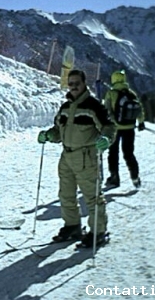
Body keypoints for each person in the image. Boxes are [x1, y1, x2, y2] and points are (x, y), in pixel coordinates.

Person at [38, 69, 116, 247]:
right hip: (66, 155)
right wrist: (48, 135)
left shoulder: (93, 106)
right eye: (70, 83)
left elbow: (108, 126)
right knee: (66, 195)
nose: (73, 87)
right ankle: (72, 226)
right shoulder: (65, 108)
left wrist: (105, 138)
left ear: (84, 84)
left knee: (92, 196)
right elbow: (58, 130)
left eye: (77, 83)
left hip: (86, 156)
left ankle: (98, 232)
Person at [104, 70, 145, 188]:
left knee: (113, 153)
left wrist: (109, 123)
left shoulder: (111, 93)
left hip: (115, 129)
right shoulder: (131, 93)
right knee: (128, 153)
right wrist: (141, 122)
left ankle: (114, 178)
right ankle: (135, 177)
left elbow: (107, 111)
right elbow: (139, 109)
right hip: (130, 128)